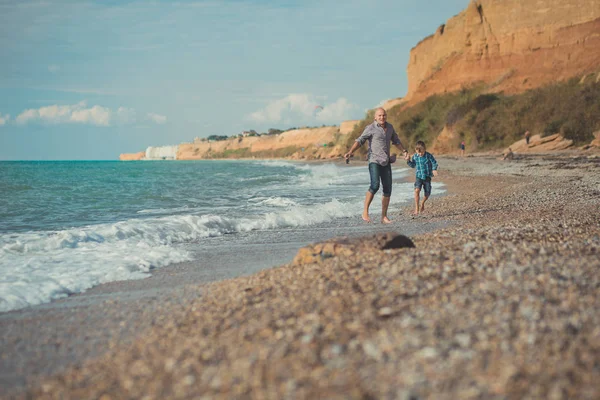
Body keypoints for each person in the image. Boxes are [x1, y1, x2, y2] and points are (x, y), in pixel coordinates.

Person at [344, 108, 408, 223]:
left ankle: (383, 216)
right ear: (375, 117)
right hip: (374, 160)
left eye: (383, 115)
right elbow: (360, 140)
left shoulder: (390, 128)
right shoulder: (370, 128)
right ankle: (365, 211)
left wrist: (404, 151)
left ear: (386, 116)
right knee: (375, 185)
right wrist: (351, 151)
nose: (382, 117)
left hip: (386, 161)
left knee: (388, 189)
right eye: (379, 115)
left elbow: (396, 141)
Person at [404, 140, 438, 215]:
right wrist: (408, 160)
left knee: (427, 193)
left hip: (427, 177)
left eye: (421, 152)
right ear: (416, 151)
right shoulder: (415, 156)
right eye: (418, 152)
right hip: (419, 176)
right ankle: (416, 208)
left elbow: (434, 162)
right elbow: (413, 165)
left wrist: (434, 169)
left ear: (424, 149)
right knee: (417, 190)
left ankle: (422, 203)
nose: (420, 154)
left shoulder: (428, 155)